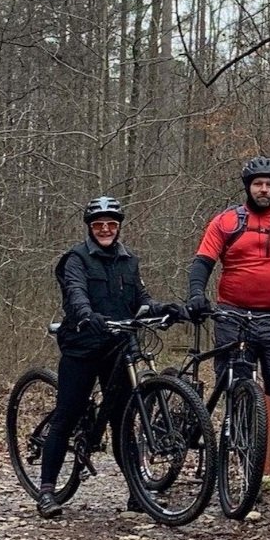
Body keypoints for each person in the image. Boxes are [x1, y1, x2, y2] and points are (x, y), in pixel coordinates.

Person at [187, 156, 270, 511]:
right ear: (247, 187)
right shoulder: (227, 221)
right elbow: (202, 263)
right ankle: (243, 473)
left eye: (269, 184)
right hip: (232, 317)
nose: (264, 190)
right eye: (258, 184)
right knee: (238, 392)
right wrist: (197, 296)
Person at [38, 196, 186, 519]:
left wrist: (166, 309)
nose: (105, 230)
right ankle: (47, 490)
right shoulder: (75, 259)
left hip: (119, 348)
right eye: (99, 225)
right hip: (84, 346)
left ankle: (137, 493)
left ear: (118, 228)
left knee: (122, 422)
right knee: (67, 413)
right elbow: (74, 292)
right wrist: (86, 313)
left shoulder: (129, 260)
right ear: (90, 228)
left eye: (111, 225)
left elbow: (142, 300)